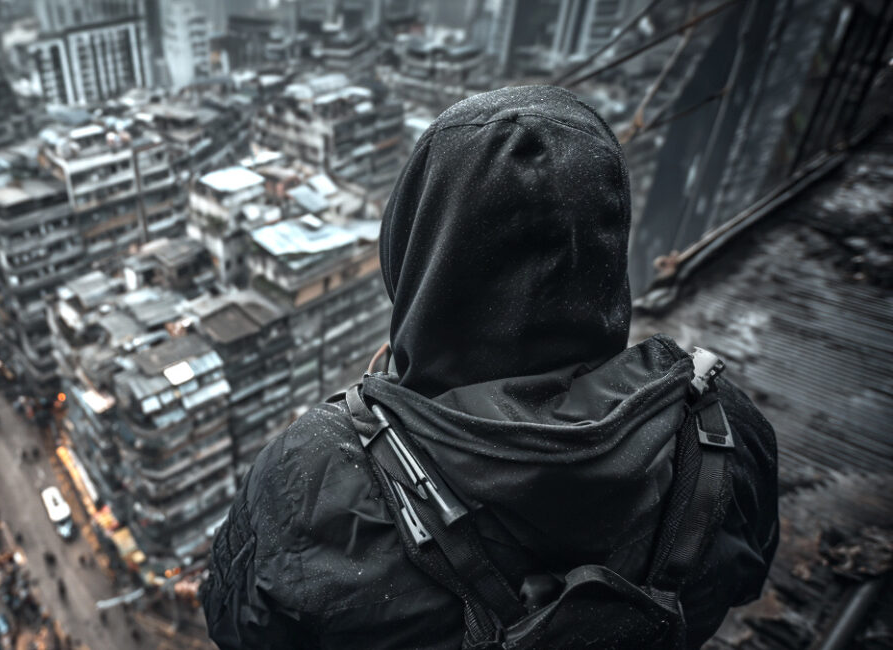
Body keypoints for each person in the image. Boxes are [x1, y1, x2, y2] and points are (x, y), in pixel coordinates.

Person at [199, 86, 778, 649]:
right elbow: (741, 578)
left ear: (416, 242)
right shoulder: (723, 432)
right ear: (605, 243)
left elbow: (236, 622)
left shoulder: (311, 477)